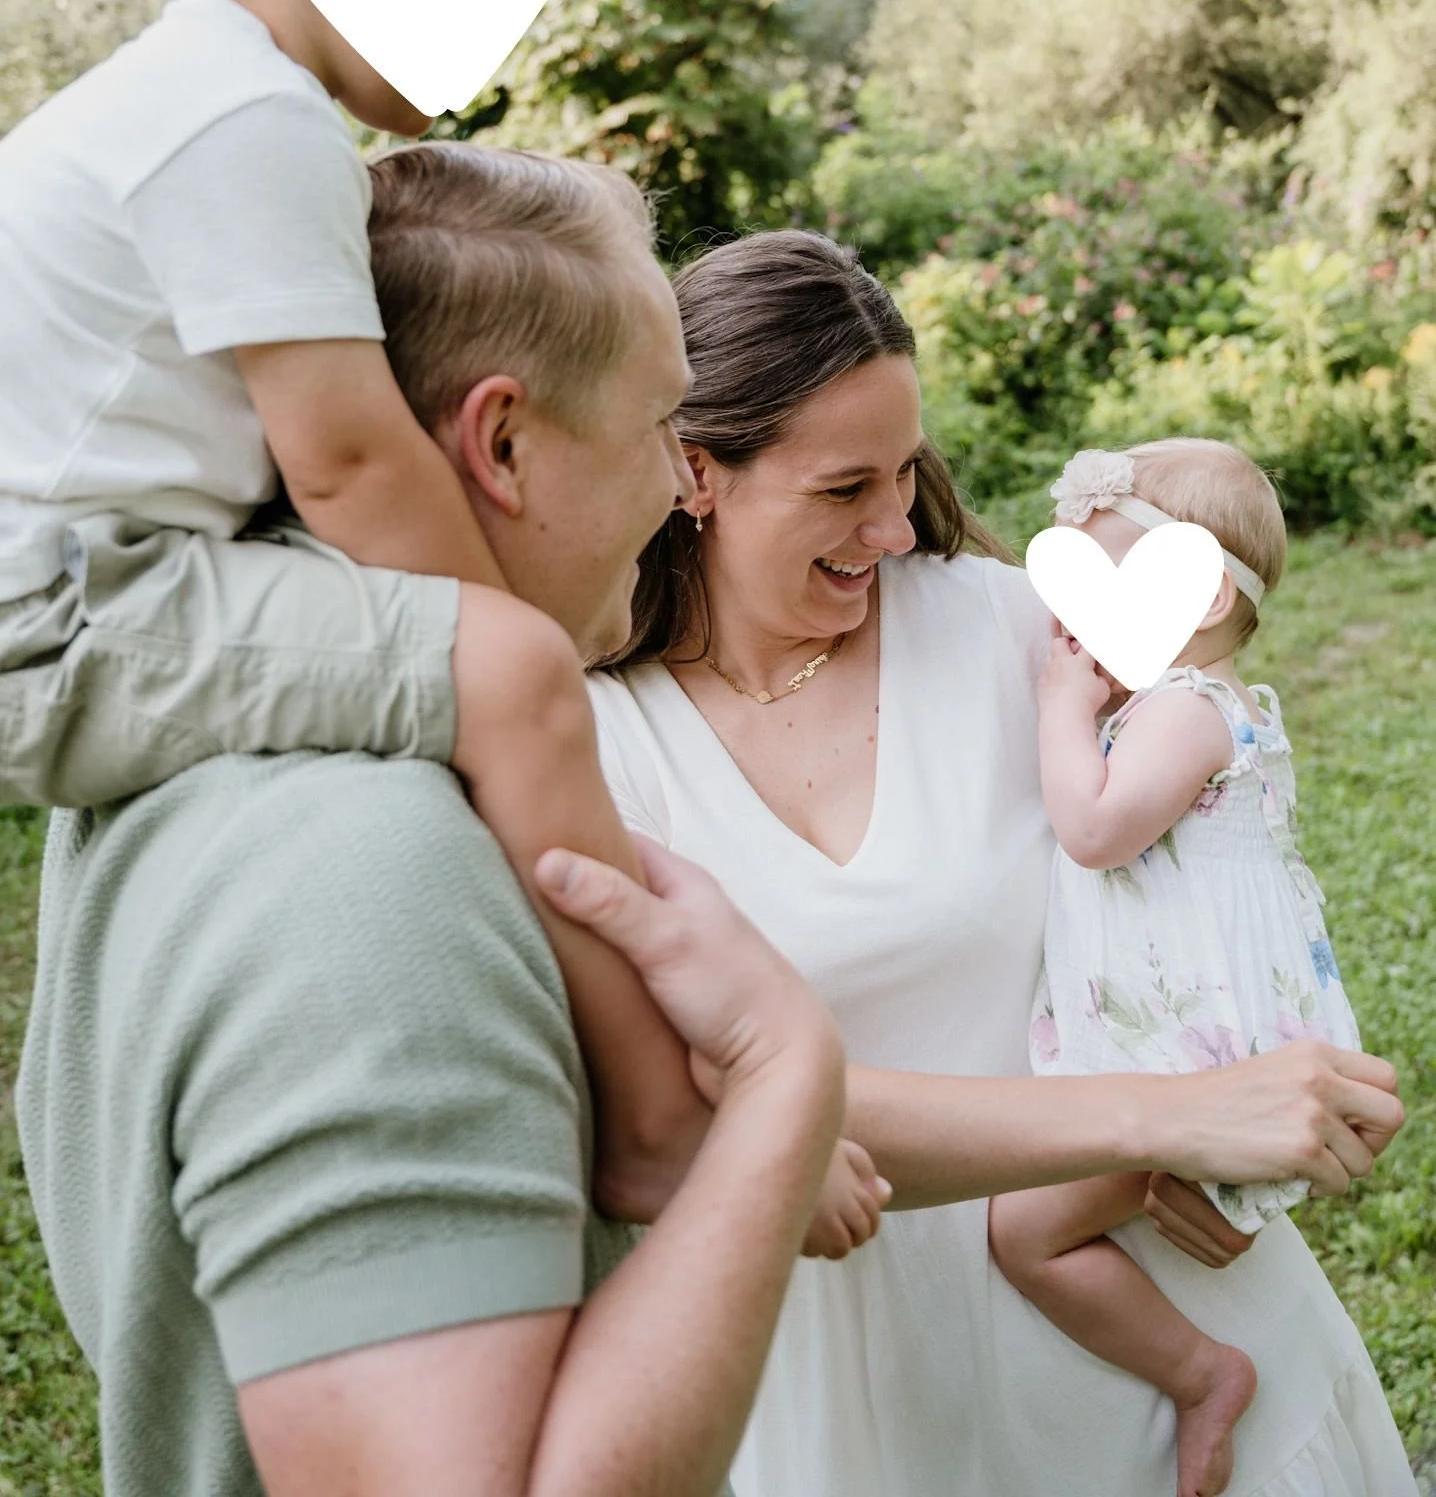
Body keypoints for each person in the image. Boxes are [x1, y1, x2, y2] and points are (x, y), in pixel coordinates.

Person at [0, 0, 732, 1224]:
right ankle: (657, 1109)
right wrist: (487, 638)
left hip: (73, 589)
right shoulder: (250, 116)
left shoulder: (185, 96)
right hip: (59, 612)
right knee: (519, 677)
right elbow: (343, 459)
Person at [16, 143, 869, 1497]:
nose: (674, 487)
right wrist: (783, 1089)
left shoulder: (185, 736)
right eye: (659, 424)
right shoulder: (379, 888)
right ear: (505, 440)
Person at [588, 229, 1416, 1497]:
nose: (891, 524)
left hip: (1141, 1310)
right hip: (849, 1373)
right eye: (840, 487)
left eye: (904, 472)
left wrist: (1240, 1072)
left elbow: (1211, 854)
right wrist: (1157, 1115)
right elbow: (680, 1118)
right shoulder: (599, 737)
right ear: (695, 471)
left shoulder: (1012, 631)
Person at [988, 440, 1364, 1497]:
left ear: (1189, 596)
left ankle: (1202, 1374)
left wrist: (1061, 712)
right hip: (1181, 1042)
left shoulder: (1185, 711)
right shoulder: (1190, 707)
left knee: (1024, 1230)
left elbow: (1096, 828)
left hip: (1179, 1059)